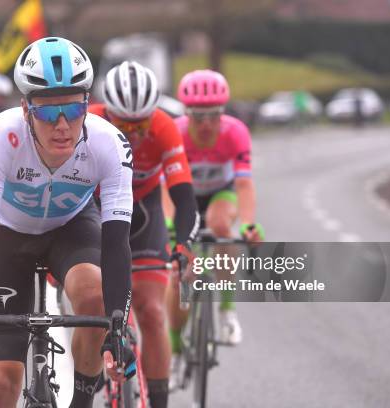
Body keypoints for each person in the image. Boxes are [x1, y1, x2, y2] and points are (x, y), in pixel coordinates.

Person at [0, 37, 136, 408]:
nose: (62, 125)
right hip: (5, 238)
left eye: (73, 110)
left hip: (71, 229)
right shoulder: (0, 138)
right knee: (0, 387)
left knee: (94, 295)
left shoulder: (109, 144)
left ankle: (82, 400)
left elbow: (116, 243)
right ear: (25, 109)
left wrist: (116, 327)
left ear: (86, 105)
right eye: (47, 112)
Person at [88, 61, 199, 408]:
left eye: (142, 124)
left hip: (143, 211)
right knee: (91, 307)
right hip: (95, 208)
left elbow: (184, 197)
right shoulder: (88, 124)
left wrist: (183, 245)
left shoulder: (165, 127)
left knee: (151, 310)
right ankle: (87, 374)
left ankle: (160, 401)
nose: (134, 134)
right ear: (109, 114)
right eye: (124, 125)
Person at [164, 69, 264, 358]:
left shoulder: (235, 132)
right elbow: (163, 188)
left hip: (222, 194)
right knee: (180, 275)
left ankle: (226, 311)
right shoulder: (176, 133)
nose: (206, 123)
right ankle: (174, 344)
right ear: (186, 113)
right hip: (184, 198)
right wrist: (171, 226)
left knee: (221, 226)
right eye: (198, 116)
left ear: (223, 112)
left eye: (214, 115)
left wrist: (248, 226)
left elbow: (244, 184)